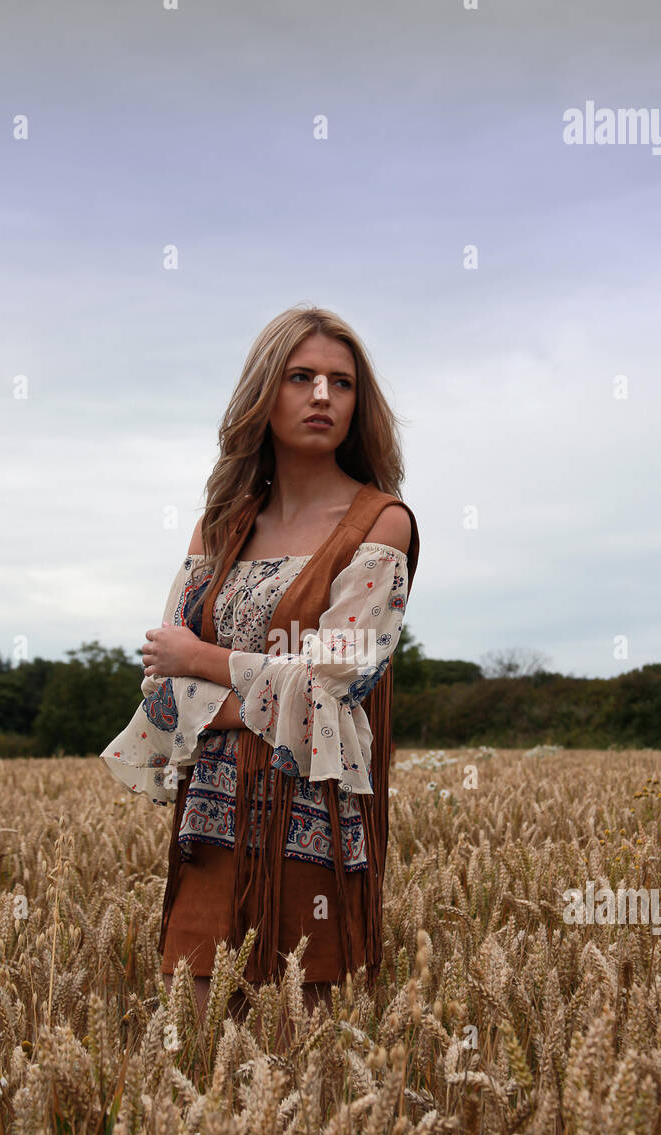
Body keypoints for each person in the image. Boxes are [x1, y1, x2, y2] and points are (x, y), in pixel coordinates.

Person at [100, 304, 419, 1036]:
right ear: (263, 393)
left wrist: (207, 665)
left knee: (303, 1066)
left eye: (341, 383)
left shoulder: (382, 522)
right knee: (196, 1052)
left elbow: (337, 686)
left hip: (315, 824)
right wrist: (257, 689)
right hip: (211, 823)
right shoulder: (219, 525)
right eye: (300, 376)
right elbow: (161, 679)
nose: (321, 396)